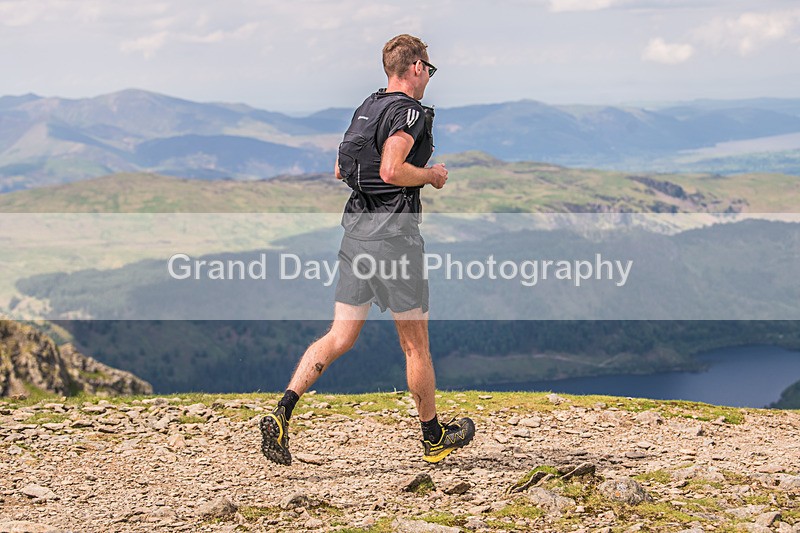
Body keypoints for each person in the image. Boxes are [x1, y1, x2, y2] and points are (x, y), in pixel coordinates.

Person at [260, 34, 475, 465]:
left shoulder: (367, 106)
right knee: (415, 347)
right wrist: (431, 175)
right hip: (394, 239)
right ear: (415, 67)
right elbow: (393, 168)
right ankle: (433, 437)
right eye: (428, 69)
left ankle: (283, 410)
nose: (429, 77)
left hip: (356, 233)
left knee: (340, 335)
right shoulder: (408, 112)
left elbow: (342, 168)